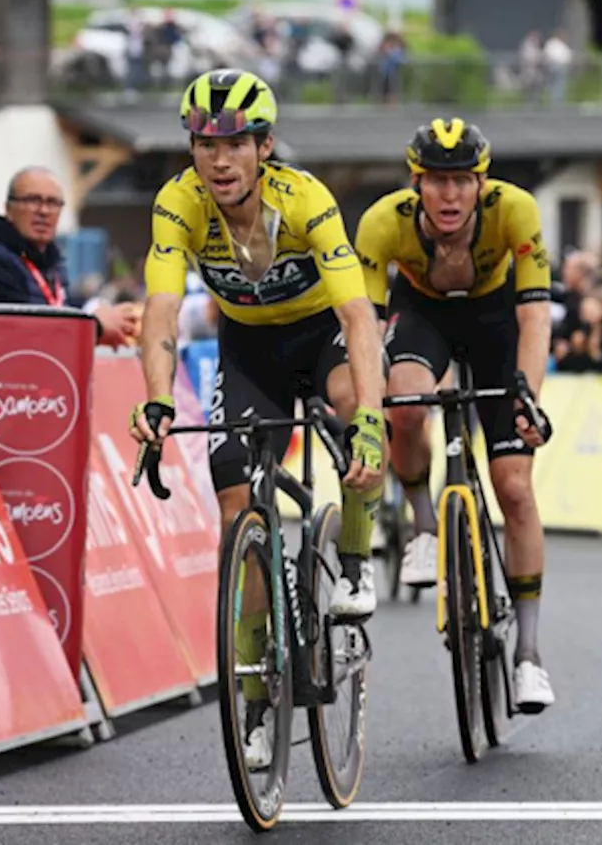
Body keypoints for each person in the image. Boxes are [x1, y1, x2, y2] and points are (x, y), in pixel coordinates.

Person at [127, 69, 387, 769]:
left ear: (263, 147)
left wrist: (373, 419)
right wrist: (156, 397)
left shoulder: (305, 199)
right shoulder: (177, 203)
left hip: (320, 337)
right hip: (250, 349)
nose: (218, 159)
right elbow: (158, 308)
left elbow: (357, 313)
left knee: (357, 410)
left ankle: (359, 559)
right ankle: (253, 697)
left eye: (235, 144)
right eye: (204, 144)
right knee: (235, 496)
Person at [353, 118, 556, 714]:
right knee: (407, 401)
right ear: (416, 182)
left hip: (497, 324)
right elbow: (364, 325)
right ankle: (422, 526)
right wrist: (368, 408)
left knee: (514, 487)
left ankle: (530, 654)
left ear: (481, 183)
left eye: (461, 182)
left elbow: (536, 317)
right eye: (436, 182)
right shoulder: (381, 223)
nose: (449, 195)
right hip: (426, 318)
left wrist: (527, 398)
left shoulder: (515, 210)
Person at [0, 166, 140, 345]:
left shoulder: (48, 261)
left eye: (53, 202)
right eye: (32, 200)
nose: (44, 211)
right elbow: (20, 334)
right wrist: (95, 326)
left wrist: (99, 309)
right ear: (9, 209)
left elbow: (60, 306)